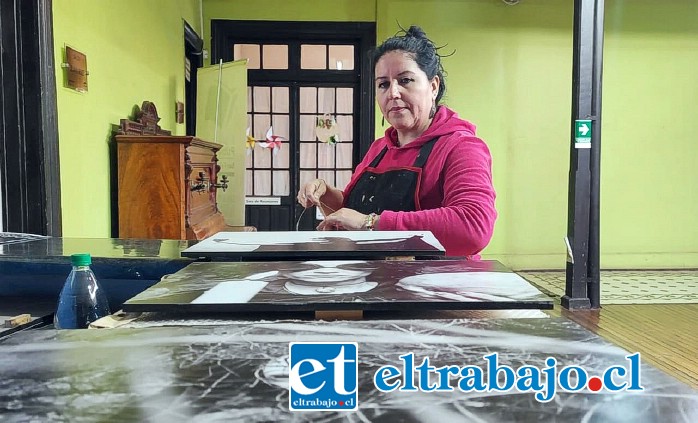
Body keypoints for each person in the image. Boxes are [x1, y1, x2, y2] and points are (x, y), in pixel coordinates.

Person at [296, 25, 497, 258]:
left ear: (433, 86)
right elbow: (352, 215)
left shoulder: (460, 146)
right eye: (383, 84)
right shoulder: (380, 148)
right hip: (378, 282)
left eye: (405, 80)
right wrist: (325, 193)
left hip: (436, 287)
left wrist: (371, 223)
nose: (393, 93)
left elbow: (473, 227)